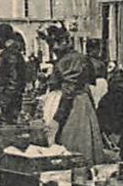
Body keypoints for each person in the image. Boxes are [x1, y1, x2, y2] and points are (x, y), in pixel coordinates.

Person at [45, 24, 106, 164]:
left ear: (64, 42)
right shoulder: (76, 58)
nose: (53, 49)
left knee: (73, 145)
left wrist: (57, 118)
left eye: (55, 44)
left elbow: (69, 91)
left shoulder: (71, 60)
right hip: (79, 103)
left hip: (74, 107)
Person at [0, 24, 27, 122]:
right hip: (8, 100)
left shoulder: (11, 55)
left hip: (9, 103)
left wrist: (2, 103)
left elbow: (14, 82)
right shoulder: (10, 53)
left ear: (2, 37)